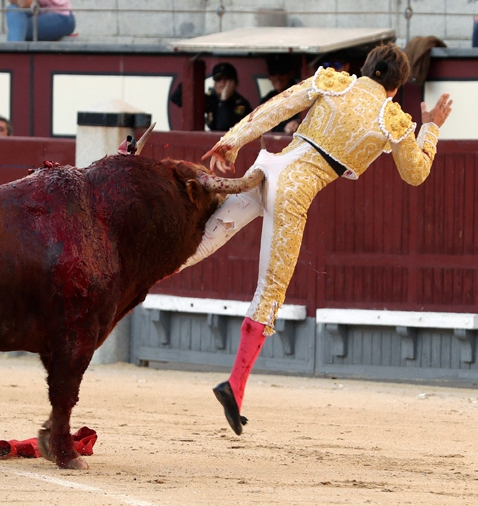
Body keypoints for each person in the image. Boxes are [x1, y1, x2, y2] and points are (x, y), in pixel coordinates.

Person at [180, 43, 453, 436]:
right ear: (395, 88)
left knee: (198, 246)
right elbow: (415, 173)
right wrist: (431, 128)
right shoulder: (391, 119)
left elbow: (277, 107)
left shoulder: (334, 82)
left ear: (365, 68)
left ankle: (139, 271)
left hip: (268, 167)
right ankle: (234, 386)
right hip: (291, 194)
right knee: (269, 291)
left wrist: (233, 140)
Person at [169, 62, 252, 132]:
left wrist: (224, 100)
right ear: (214, 83)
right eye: (218, 79)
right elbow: (176, 98)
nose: (222, 82)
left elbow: (223, 128)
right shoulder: (212, 99)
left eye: (226, 79)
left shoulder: (241, 104)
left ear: (235, 83)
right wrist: (194, 79)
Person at [261, 54, 300, 134]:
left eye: (282, 71)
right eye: (273, 72)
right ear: (269, 76)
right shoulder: (267, 100)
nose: (277, 77)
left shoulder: (301, 95)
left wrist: (297, 123)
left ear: (291, 73)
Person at [6, 0, 75, 42]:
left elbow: (26, 2)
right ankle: (14, 55)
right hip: (39, 13)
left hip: (62, 17)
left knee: (17, 27)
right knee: (13, 9)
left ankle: (14, 59)